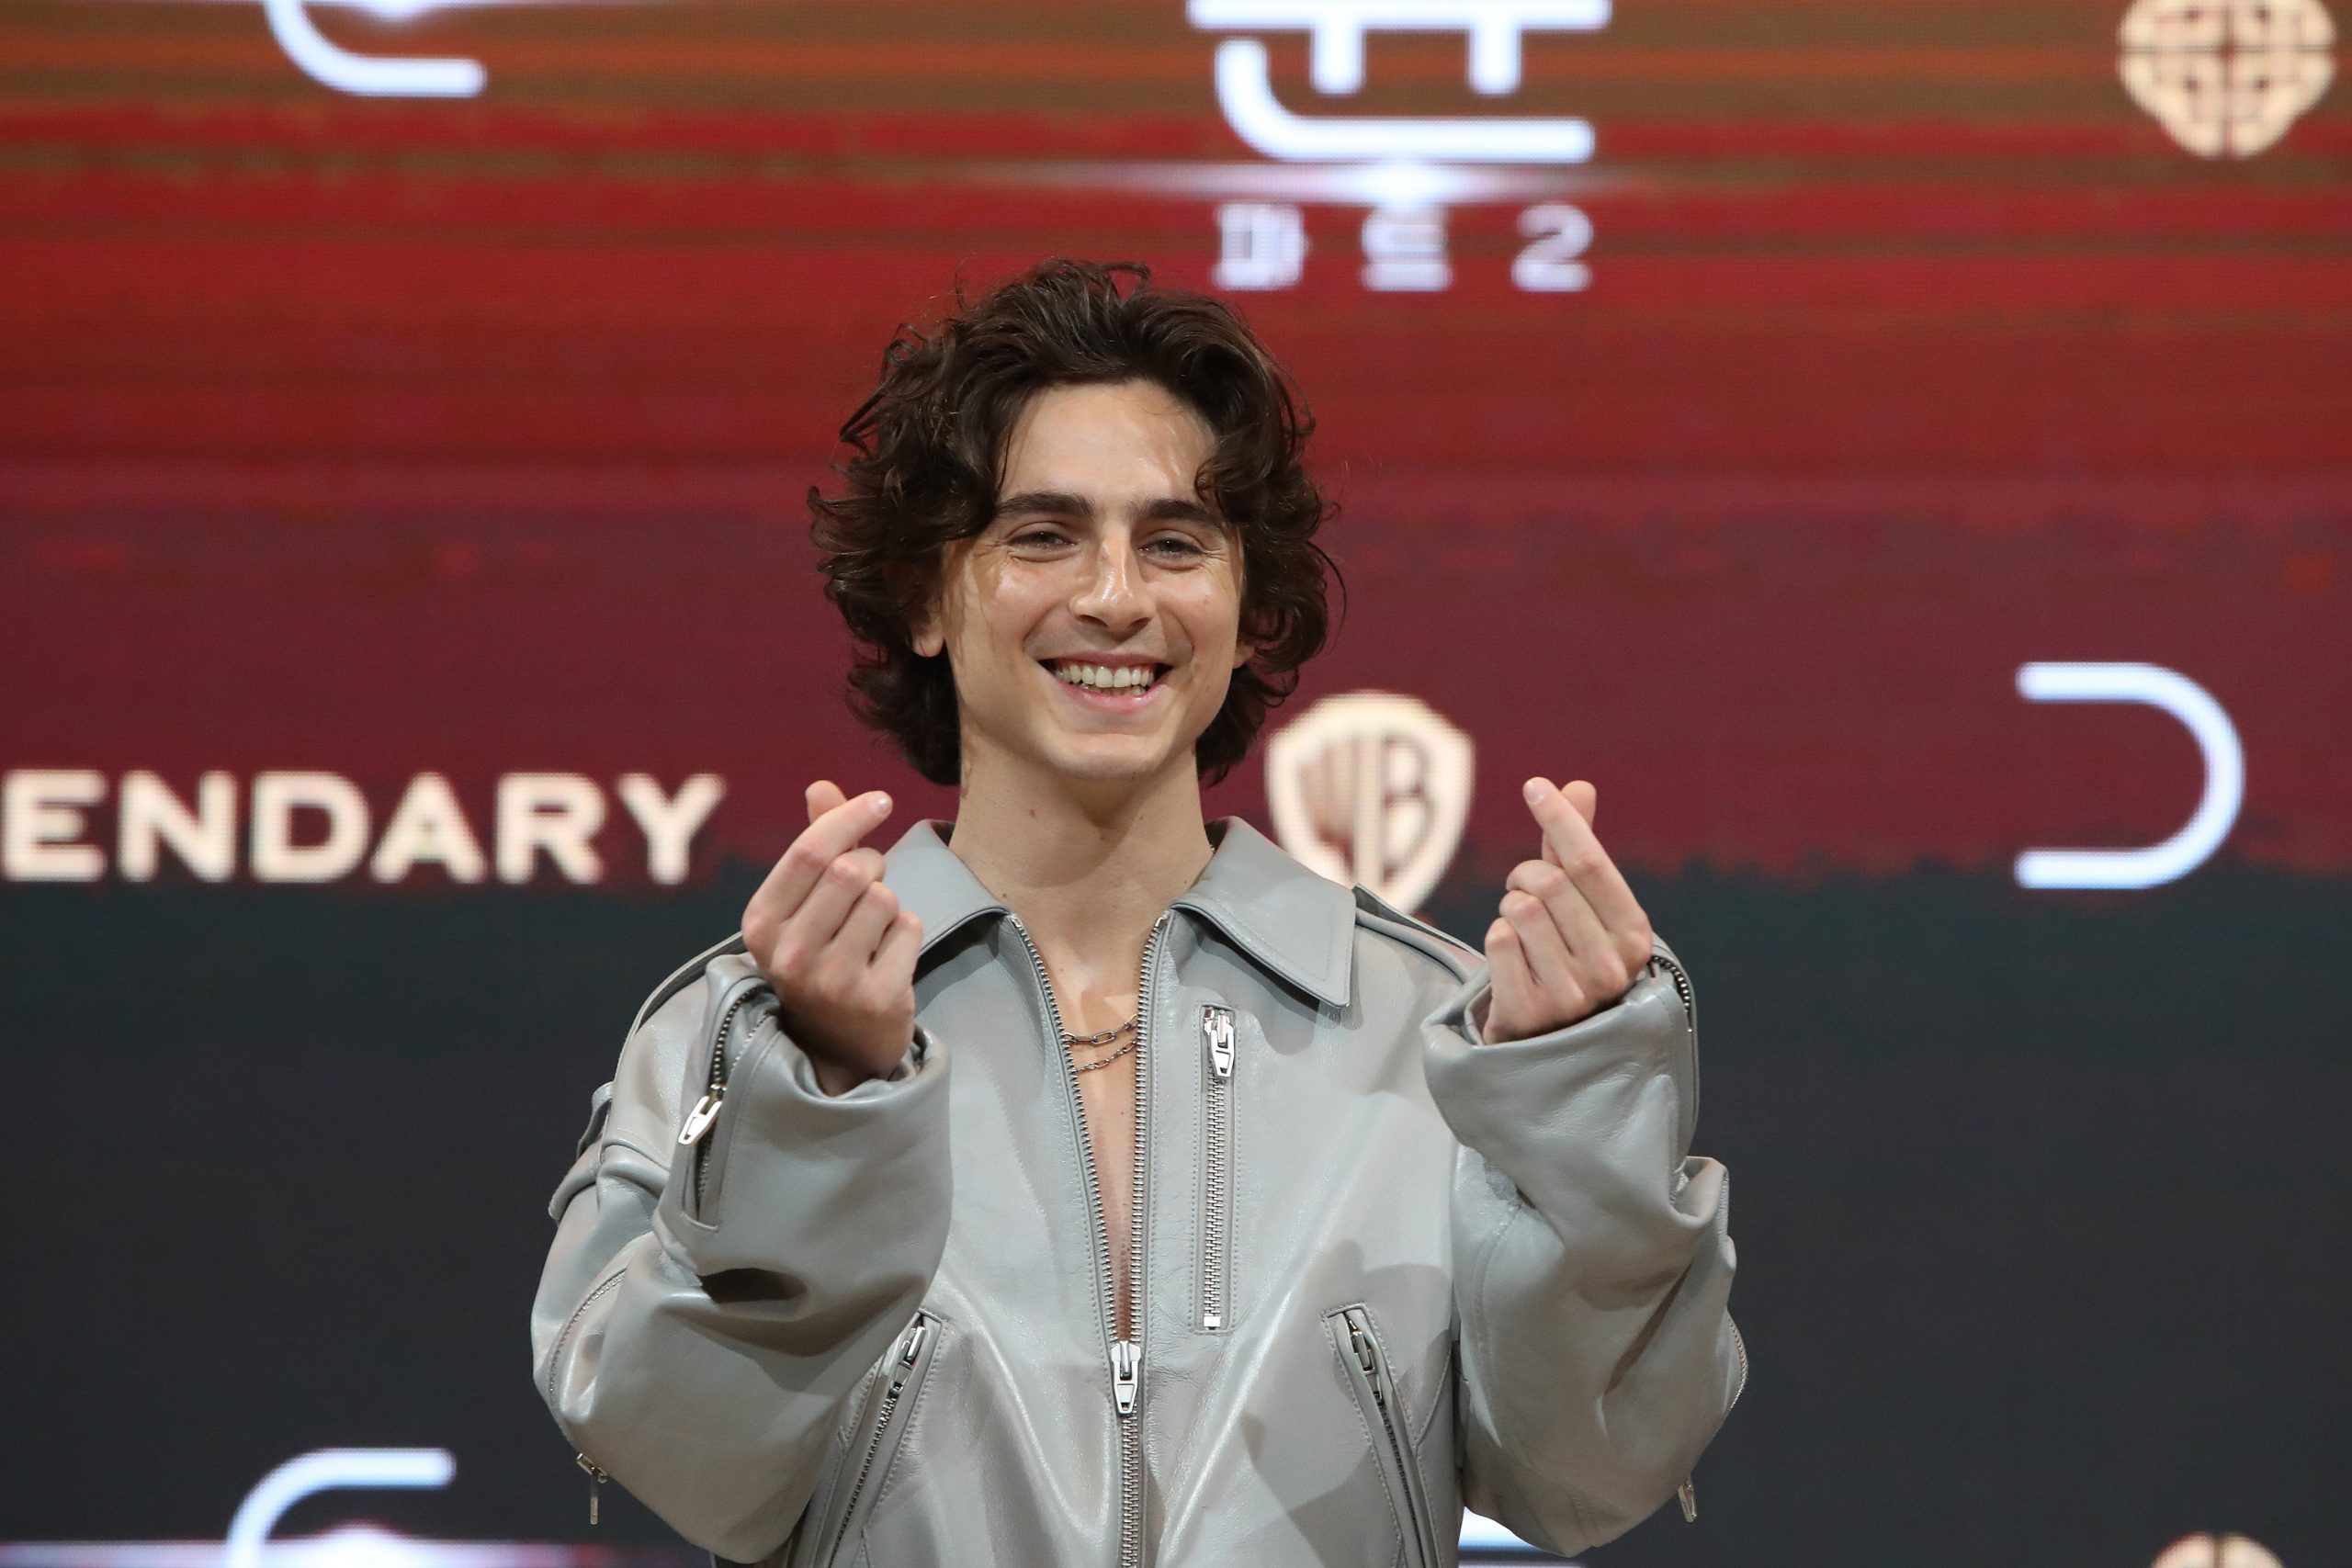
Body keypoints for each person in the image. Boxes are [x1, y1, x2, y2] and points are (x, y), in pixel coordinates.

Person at [530, 258, 1745, 1568]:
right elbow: (679, 1456)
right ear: (925, 597)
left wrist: (1580, 1119)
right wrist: (818, 1102)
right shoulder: (741, 1034)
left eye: (1176, 542)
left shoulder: (1442, 1029)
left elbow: (1588, 1476)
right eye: (1042, 536)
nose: (1117, 597)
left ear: (1242, 603)